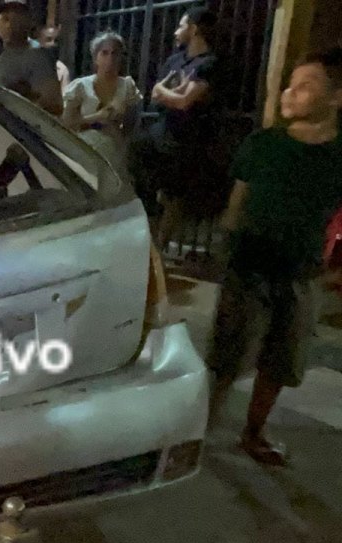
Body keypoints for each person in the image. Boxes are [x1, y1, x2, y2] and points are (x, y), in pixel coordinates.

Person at [206, 48, 342, 467]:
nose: (290, 93)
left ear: (336, 98)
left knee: (282, 359)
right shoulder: (263, 144)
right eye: (290, 85)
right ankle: (201, 427)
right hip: (249, 264)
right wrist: (227, 249)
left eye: (306, 86)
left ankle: (253, 431)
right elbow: (237, 204)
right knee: (228, 354)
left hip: (299, 269)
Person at [129, 7, 228, 249]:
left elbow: (184, 101)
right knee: (144, 181)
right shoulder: (175, 61)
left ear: (193, 29)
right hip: (162, 131)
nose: (176, 32)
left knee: (174, 194)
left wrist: (166, 92)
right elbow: (156, 96)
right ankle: (148, 242)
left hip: (187, 137)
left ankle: (159, 247)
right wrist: (170, 93)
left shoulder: (209, 63)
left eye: (181, 26)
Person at [61, 31, 141, 173]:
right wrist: (96, 117)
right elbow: (66, 123)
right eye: (104, 53)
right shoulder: (80, 86)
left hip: (114, 151)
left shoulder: (127, 87)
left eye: (115, 53)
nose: (110, 58)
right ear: (95, 58)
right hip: (83, 148)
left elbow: (130, 127)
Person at [0, 1, 63, 116]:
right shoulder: (4, 57)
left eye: (17, 15)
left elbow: (53, 105)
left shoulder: (36, 57)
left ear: (28, 20)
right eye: (5, 17)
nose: (9, 25)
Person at [38, 23, 71, 91]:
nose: (53, 44)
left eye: (56, 40)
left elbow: (64, 95)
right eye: (48, 40)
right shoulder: (28, 64)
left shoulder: (62, 69)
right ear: (40, 40)